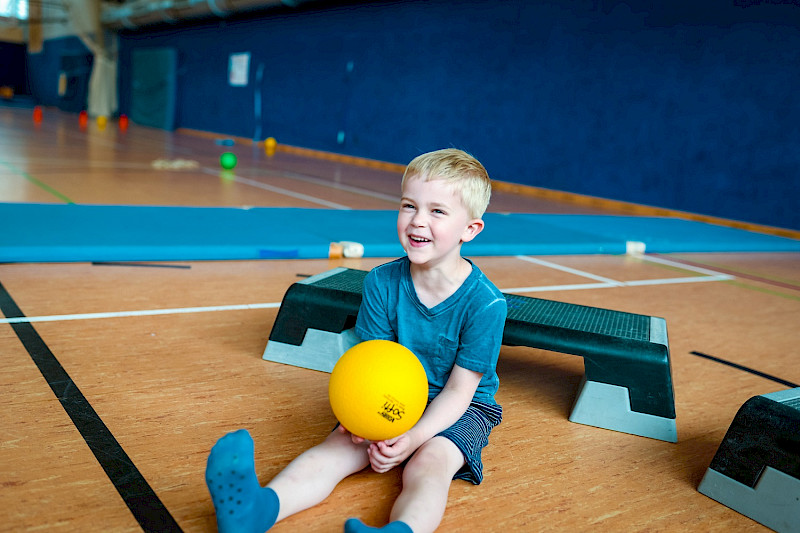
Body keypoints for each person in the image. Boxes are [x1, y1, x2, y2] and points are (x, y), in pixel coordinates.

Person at [205, 148, 508, 533]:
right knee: (340, 448)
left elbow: (460, 393)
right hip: (392, 391)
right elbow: (371, 364)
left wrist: (411, 437)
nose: (417, 221)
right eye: (409, 206)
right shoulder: (381, 282)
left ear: (470, 229)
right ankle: (255, 511)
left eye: (437, 211)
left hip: (459, 405)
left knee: (428, 462)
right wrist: (365, 420)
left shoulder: (485, 304)